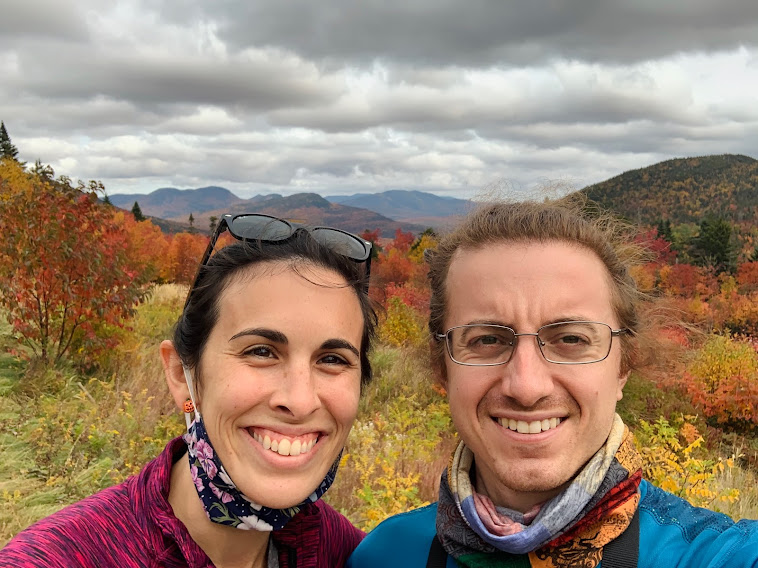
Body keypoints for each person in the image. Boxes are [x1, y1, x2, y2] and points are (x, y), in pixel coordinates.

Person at [348, 198, 758, 568]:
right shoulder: (386, 554)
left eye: (571, 339)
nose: (527, 387)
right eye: (487, 340)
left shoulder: (713, 555)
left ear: (623, 366)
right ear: (443, 369)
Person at [2, 213, 377, 568]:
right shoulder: (56, 558)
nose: (299, 400)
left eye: (332, 359)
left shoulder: (347, 552)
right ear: (182, 373)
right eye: (261, 352)